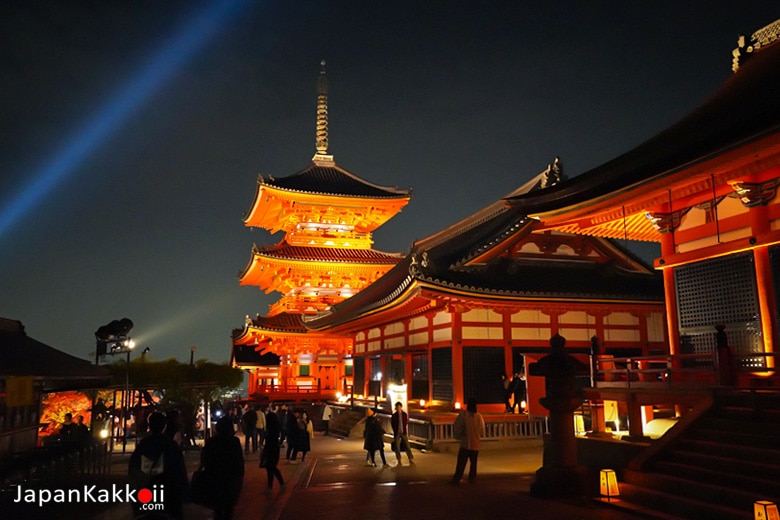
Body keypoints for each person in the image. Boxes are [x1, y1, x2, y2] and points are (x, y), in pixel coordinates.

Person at [129, 411, 188, 519]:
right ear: (164, 426)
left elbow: (133, 468)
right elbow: (179, 470)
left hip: (146, 490)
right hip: (168, 493)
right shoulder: (171, 445)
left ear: (149, 426)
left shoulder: (143, 445)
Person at [199, 416, 244, 520]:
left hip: (214, 477)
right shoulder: (234, 442)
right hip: (229, 478)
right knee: (229, 509)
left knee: (217, 508)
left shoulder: (211, 441)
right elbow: (239, 461)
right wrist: (240, 478)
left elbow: (205, 459)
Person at [449, 399, 486, 485]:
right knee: (473, 464)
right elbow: (482, 431)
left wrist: (458, 436)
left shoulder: (464, 415)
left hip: (466, 444)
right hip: (475, 444)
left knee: (461, 463)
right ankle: (472, 479)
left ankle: (457, 479)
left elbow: (458, 427)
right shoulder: (479, 417)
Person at [261, 405, 285, 494]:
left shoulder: (270, 431)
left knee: (271, 468)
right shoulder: (275, 429)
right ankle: (278, 484)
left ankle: (272, 486)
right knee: (272, 468)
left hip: (270, 450)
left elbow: (268, 442)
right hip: (275, 449)